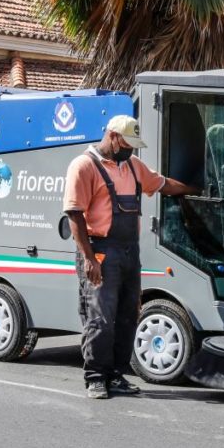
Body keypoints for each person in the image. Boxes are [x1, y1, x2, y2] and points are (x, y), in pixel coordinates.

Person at [63, 115, 197, 399]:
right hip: (99, 250)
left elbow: (161, 184)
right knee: (100, 318)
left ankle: (117, 375)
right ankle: (96, 377)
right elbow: (74, 214)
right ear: (112, 136)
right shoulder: (84, 166)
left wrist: (194, 190)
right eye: (127, 144)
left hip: (128, 250)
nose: (131, 150)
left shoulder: (134, 167)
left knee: (128, 315)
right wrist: (88, 259)